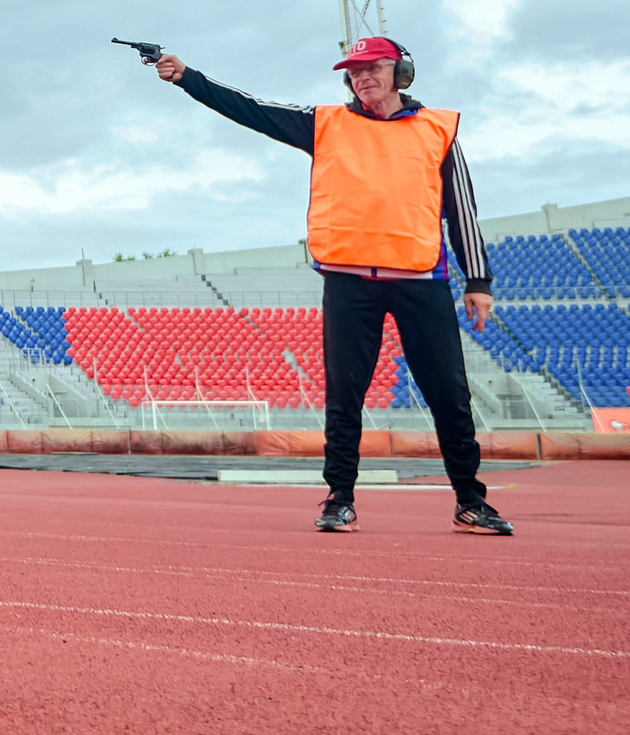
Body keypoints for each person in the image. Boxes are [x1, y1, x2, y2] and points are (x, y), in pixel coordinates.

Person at [152, 37, 512, 536]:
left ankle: (471, 501)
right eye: (354, 71)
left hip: (421, 280)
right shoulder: (326, 124)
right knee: (346, 394)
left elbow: (462, 209)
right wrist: (189, 78)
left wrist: (478, 279)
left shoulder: (439, 129)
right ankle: (339, 497)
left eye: (374, 68)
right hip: (349, 281)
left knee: (449, 394)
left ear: (400, 72)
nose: (363, 77)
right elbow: (251, 109)